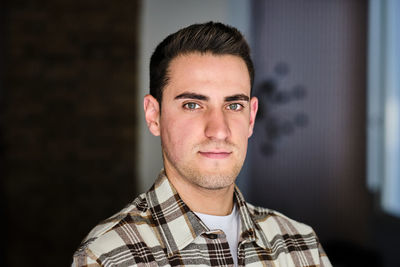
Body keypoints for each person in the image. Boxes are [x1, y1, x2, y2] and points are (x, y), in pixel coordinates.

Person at [72, 22, 332, 267]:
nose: (218, 130)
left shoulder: (301, 245)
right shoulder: (108, 257)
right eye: (193, 105)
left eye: (234, 105)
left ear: (251, 117)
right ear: (154, 116)